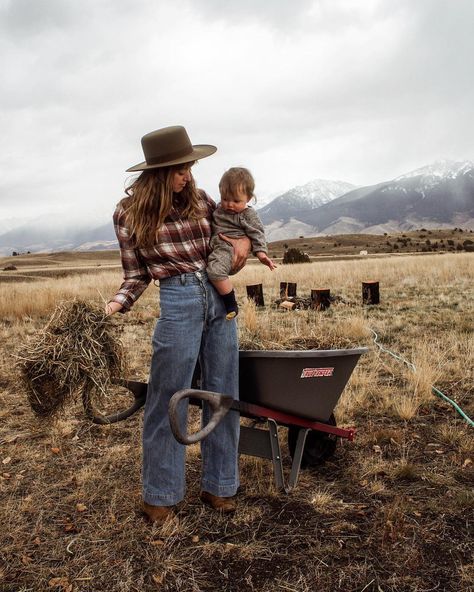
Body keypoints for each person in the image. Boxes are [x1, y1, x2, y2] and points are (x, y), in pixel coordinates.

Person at [106, 126, 250, 525]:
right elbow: (136, 276)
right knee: (168, 396)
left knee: (223, 392)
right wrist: (116, 306)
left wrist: (243, 248)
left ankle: (219, 485)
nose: (189, 175)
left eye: (189, 167)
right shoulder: (127, 214)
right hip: (178, 298)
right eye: (181, 168)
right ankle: (159, 496)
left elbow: (230, 239)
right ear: (159, 173)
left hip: (218, 299)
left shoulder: (201, 200)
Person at [207, 167, 276, 319]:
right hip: (216, 246)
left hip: (228, 249)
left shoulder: (247, 214)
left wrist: (261, 254)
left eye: (236, 201)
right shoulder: (219, 208)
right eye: (225, 199)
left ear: (248, 198)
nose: (229, 204)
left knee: (214, 271)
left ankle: (231, 303)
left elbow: (257, 233)